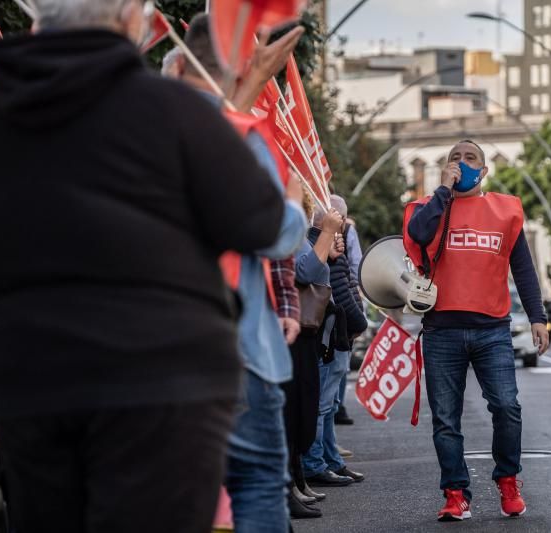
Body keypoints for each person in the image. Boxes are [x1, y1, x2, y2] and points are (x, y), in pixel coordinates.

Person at [0, 1, 285, 532]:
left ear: (38, 21)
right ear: (131, 20)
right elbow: (259, 220)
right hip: (165, 383)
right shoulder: (174, 110)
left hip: (29, 383)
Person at [177, 15, 307, 533]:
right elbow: (273, 233)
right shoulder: (237, 136)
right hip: (241, 351)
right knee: (254, 483)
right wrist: (294, 205)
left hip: (158, 353)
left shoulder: (138, 129)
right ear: (240, 67)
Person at [403, 140, 550, 522]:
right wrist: (443, 193)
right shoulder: (428, 207)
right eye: (456, 158)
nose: (463, 163)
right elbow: (418, 234)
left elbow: (524, 269)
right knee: (446, 419)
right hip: (441, 330)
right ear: (446, 166)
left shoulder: (505, 211)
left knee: (507, 407)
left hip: (492, 330)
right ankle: (455, 494)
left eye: (471, 159)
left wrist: (537, 316)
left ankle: (508, 480)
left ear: (484, 171)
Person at [285, 196, 344, 519]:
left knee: (303, 408)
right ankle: (289, 485)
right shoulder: (289, 230)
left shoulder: (298, 231)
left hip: (308, 330)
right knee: (294, 410)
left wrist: (329, 254)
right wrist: (324, 239)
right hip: (295, 329)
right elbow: (304, 273)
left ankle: (296, 480)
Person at [302, 198, 367, 487]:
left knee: (329, 404)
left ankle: (329, 459)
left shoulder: (328, 244)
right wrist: (357, 323)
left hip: (334, 332)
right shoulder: (317, 243)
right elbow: (336, 289)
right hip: (329, 333)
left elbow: (345, 283)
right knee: (322, 404)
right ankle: (315, 463)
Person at [334, 215, 363, 427]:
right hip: (337, 319)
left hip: (331, 319)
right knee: (339, 366)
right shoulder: (342, 234)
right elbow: (355, 269)